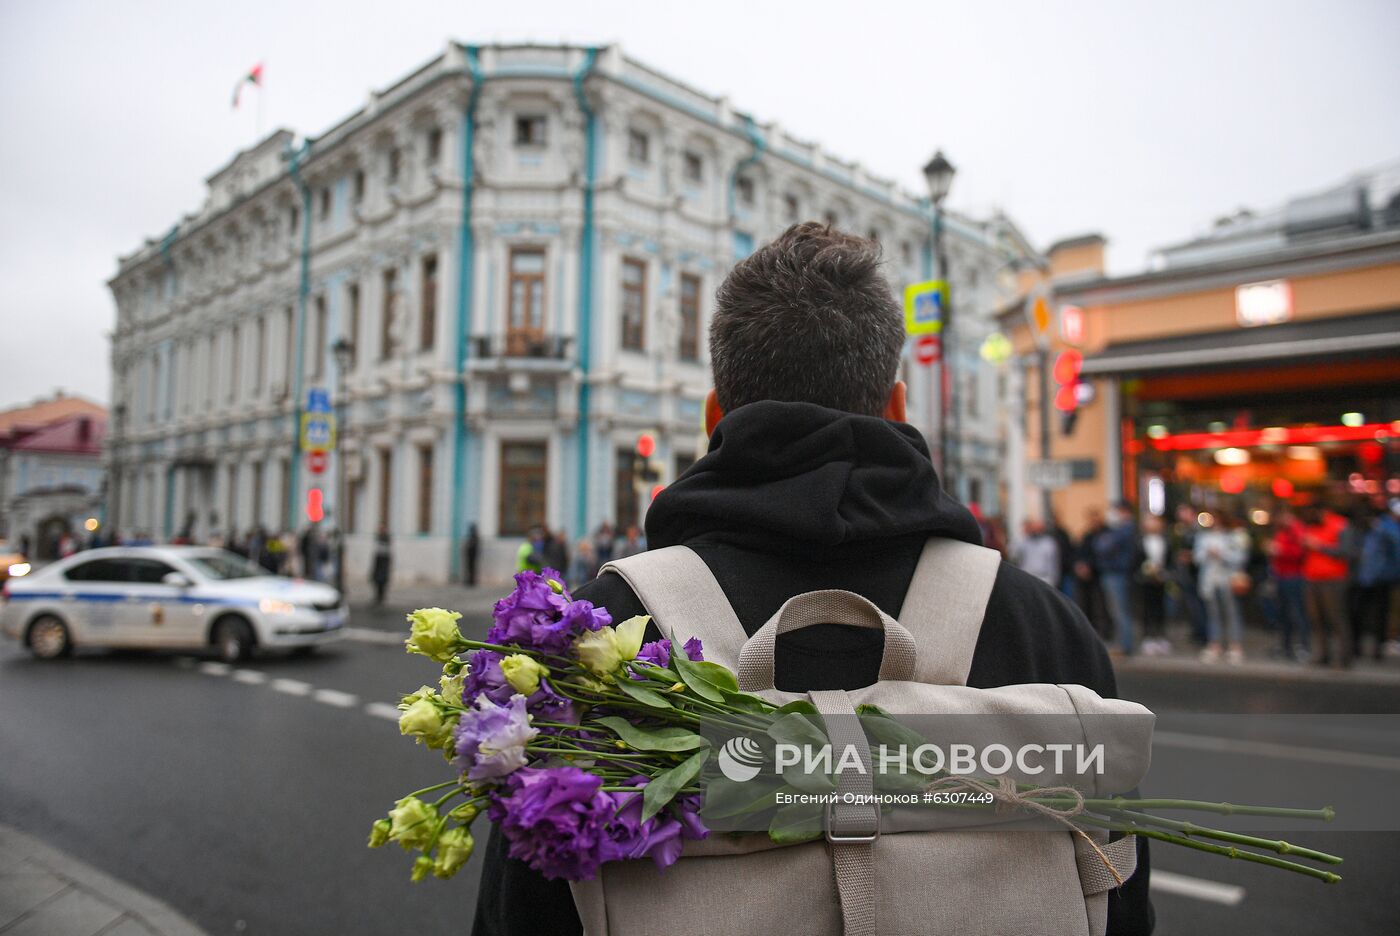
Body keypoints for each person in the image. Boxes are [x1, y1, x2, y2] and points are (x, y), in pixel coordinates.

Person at [470, 223, 1152, 936]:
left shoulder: (603, 633)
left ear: (716, 419)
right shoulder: (1043, 628)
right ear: (896, 409)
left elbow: (520, 915)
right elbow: (1121, 906)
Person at [1302, 504, 1351, 667]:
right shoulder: (1312, 526)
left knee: (1336, 619)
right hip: (1312, 578)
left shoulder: (1340, 525)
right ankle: (1323, 654)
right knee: (1316, 619)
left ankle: (1343, 657)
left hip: (1333, 579)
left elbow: (1346, 552)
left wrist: (1320, 546)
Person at [1194, 513, 1247, 664]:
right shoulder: (1203, 537)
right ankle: (1214, 644)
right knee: (1212, 614)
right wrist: (1207, 553)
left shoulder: (1233, 537)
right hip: (1209, 581)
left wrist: (1222, 554)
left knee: (1231, 612)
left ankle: (1234, 646)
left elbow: (1240, 558)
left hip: (1228, 580)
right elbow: (1197, 557)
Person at [1092, 503, 1140, 657]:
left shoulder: (1125, 530)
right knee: (1117, 610)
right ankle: (1122, 643)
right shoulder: (1121, 531)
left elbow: (1103, 546)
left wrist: (1105, 540)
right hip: (1116, 572)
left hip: (1117, 573)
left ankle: (1125, 645)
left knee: (1119, 610)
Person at [1355, 504, 1400, 660]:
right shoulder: (1382, 529)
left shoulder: (1384, 529)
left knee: (1379, 614)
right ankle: (1365, 648)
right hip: (1373, 577)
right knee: (1368, 613)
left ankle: (1375, 649)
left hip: (1378, 577)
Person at [1267, 507, 1310, 661]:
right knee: (1283, 613)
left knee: (1298, 613)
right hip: (1281, 575)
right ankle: (1286, 646)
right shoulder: (1281, 531)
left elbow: (1301, 552)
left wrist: (1280, 551)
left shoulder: (1297, 530)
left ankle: (1303, 646)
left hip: (1294, 576)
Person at [1168, 504, 1207, 646]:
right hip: (1186, 575)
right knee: (1192, 605)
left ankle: (1203, 634)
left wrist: (1191, 556)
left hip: (1197, 574)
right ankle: (1197, 632)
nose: (1180, 515)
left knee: (1199, 605)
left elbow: (1203, 550)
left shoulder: (1199, 530)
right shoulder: (1181, 530)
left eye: (1183, 511)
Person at [1138, 515, 1169, 655]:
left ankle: (1160, 636)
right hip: (1145, 581)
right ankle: (1148, 637)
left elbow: (1169, 559)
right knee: (1146, 608)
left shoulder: (1165, 541)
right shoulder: (1140, 541)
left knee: (1160, 608)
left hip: (1161, 580)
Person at [1010, 517, 1059, 587]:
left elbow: (1053, 564)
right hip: (1027, 577)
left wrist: (1053, 581)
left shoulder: (1049, 542)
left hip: (1045, 578)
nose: (1035, 530)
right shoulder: (1023, 541)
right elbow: (1013, 555)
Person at [370, 523, 392, 606]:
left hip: (383, 562)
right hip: (378, 561)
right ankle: (378, 596)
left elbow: (386, 551)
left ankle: (381, 597)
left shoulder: (386, 538)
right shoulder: (379, 537)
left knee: (382, 581)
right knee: (376, 580)